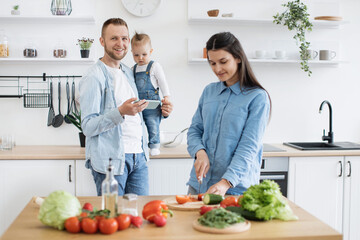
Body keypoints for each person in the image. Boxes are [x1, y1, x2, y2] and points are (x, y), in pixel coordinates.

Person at [79, 18, 173, 196]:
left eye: (124, 38)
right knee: (114, 218)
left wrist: (162, 112)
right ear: (102, 41)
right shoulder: (94, 77)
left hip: (139, 156)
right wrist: (120, 112)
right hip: (111, 161)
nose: (120, 43)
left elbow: (139, 112)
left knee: (139, 219)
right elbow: (88, 127)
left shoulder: (129, 72)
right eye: (114, 38)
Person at [187, 32, 271, 196]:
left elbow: (249, 147)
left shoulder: (257, 97)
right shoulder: (209, 91)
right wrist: (200, 152)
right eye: (212, 63)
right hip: (199, 185)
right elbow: (194, 130)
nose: (217, 69)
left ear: (238, 57)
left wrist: (226, 182)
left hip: (235, 190)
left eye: (223, 61)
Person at [130, 32, 171, 156]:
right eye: (136, 55)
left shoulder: (154, 66)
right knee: (138, 126)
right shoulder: (133, 69)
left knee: (153, 124)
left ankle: (154, 145)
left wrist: (167, 96)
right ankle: (140, 145)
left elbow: (163, 82)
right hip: (139, 104)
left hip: (153, 104)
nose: (140, 58)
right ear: (131, 52)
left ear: (151, 51)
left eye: (144, 54)